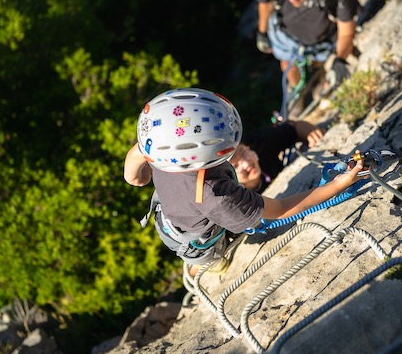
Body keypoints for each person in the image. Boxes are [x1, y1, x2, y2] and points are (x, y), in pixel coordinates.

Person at [123, 88, 366, 268]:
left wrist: (145, 176)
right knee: (216, 263)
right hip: (198, 241)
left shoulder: (156, 145)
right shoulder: (217, 195)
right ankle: (212, 267)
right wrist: (338, 184)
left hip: (173, 213)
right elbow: (281, 209)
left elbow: (135, 178)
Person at [230, 120, 325, 192]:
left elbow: (294, 127)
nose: (246, 164)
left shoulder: (260, 144)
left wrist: (311, 133)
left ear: (248, 147)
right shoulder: (235, 202)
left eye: (243, 152)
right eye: (235, 166)